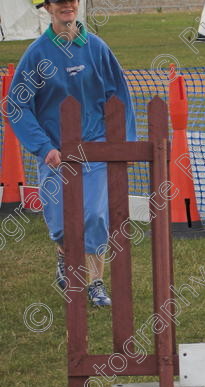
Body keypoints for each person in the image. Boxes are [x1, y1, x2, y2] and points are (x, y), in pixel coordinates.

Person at [8, 0, 136, 307]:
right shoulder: (37, 54)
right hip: (56, 154)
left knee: (94, 215)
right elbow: (17, 105)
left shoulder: (97, 48)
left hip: (96, 150)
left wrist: (124, 144)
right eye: (60, 2)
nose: (67, 6)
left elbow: (119, 95)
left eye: (72, 1)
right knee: (63, 223)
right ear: (48, 8)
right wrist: (44, 147)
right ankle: (64, 258)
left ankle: (95, 283)